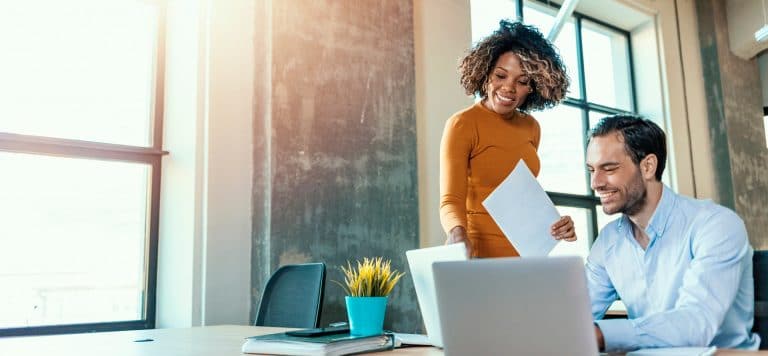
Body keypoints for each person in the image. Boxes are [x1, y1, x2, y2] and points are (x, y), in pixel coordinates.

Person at [585, 114, 760, 352]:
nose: (595, 182)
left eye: (609, 168)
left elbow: (696, 325)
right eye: (591, 170)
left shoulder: (716, 225)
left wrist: (601, 335)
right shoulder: (608, 242)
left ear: (648, 166)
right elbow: (578, 313)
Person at [440, 20, 575, 258]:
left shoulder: (531, 128)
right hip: (478, 253)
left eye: (522, 81)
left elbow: (523, 197)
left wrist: (558, 224)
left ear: (533, 87)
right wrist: (457, 233)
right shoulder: (463, 124)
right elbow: (451, 199)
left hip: (527, 256)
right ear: (485, 73)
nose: (509, 88)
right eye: (500, 76)